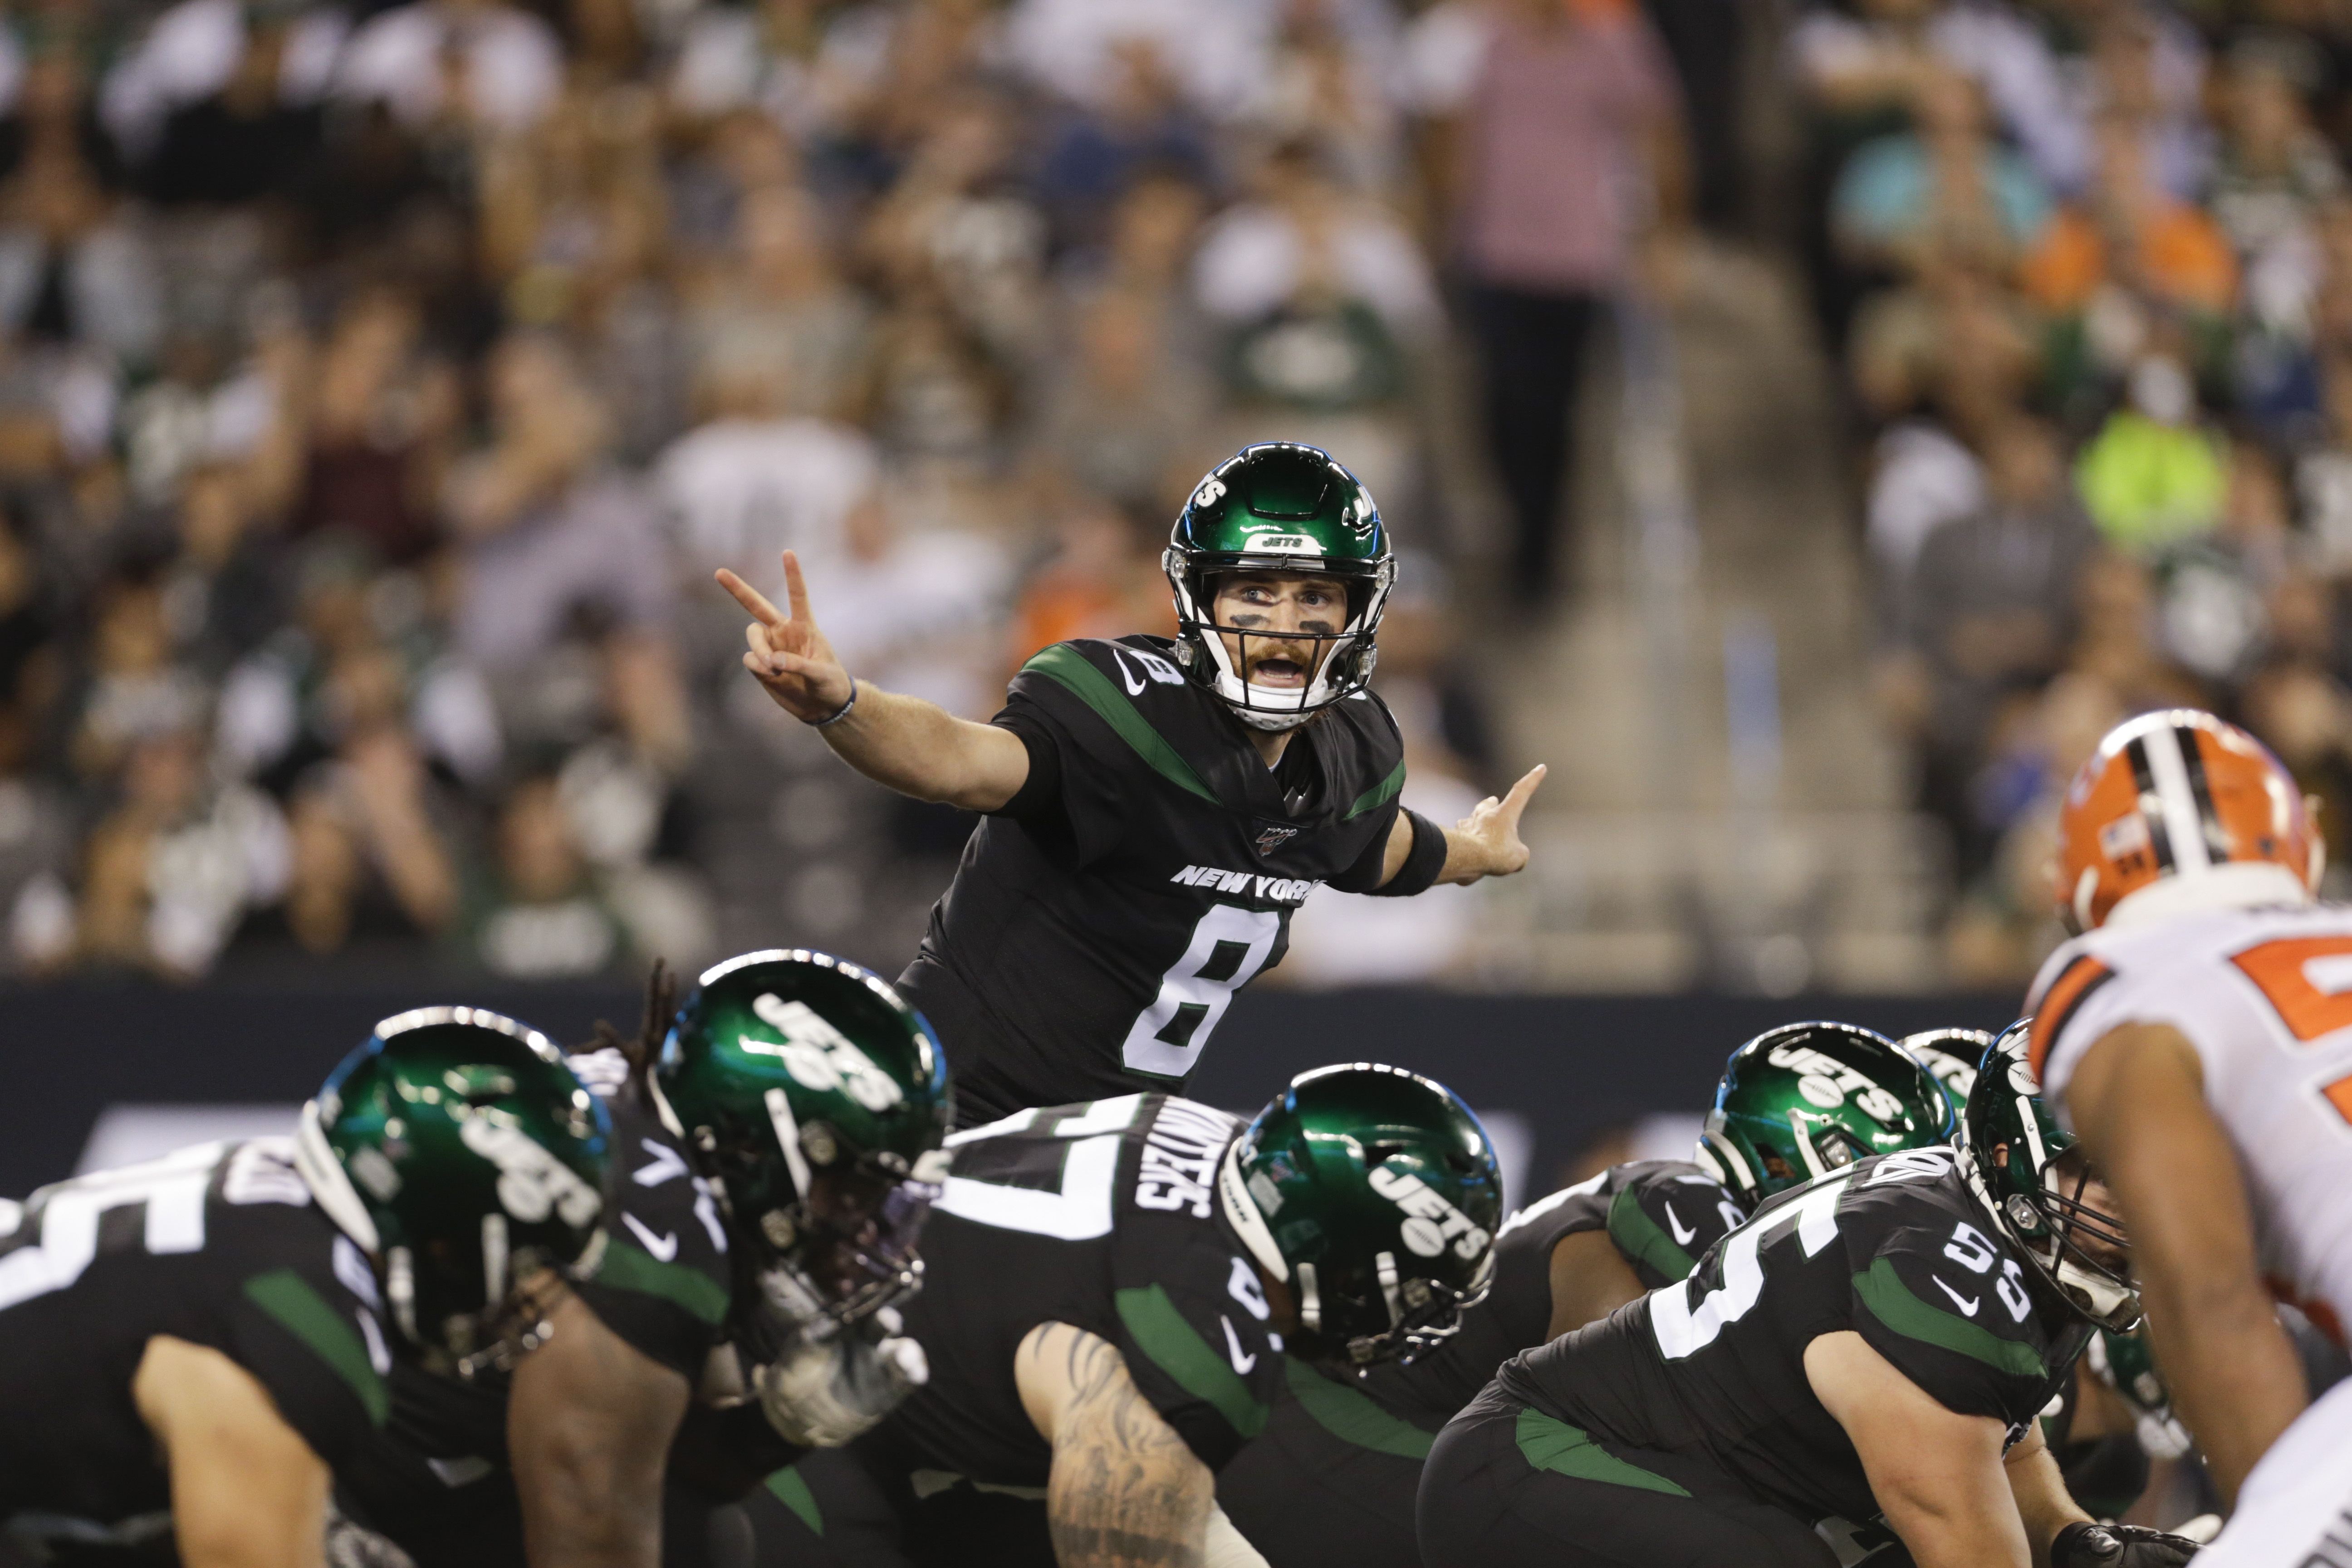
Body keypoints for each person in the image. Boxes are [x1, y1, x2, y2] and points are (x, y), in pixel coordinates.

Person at [720, 442, 1545, 1125]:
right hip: (952, 1109)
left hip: (1112, 1143)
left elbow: (1382, 848)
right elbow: (957, 760)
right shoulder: (1125, 711)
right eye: (1255, 591)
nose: (1286, 625)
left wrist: (1475, 851)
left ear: (1357, 613)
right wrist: (845, 704)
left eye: (1316, 596)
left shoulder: (1351, 755)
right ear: (1198, 598)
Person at [1416, 1025, 2200, 1568]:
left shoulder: (2000, 1242)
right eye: (2100, 1168)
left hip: (1635, 1474)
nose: (2136, 1198)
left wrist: (2075, 1541)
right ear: (2012, 1152)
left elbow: (2003, 1440)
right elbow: (1967, 1535)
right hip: (1538, 1467)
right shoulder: (1942, 1270)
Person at [1219, 1025, 1955, 1567]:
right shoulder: (1681, 1210)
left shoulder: (1733, 1232)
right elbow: (1620, 1436)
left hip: (1417, 1432)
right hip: (1346, 1424)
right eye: (1900, 1183)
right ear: (1787, 1158)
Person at [333, 950, 954, 1568]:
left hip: (364, 1442)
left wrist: (776, 1429)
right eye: (853, 1191)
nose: (867, 1230)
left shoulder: (640, 1119)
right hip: (304, 1451)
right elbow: (591, 1536)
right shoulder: (659, 1236)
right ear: (764, 1140)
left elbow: (668, 1459)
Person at [743, 1063, 1504, 1568]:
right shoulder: (1196, 1336)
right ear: (1342, 1258)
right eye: (1414, 1289)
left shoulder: (1202, 1137)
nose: (1413, 1316)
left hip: (866, 1362)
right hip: (795, 1421)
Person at [0, 1006, 609, 1564]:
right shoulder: (303, 1318)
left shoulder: (272, 1202)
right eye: (529, 1255)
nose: (527, 1292)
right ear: (450, 1218)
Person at [2029, 708, 2352, 1563]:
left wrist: (2280, 1529)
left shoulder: (2121, 985)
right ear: (2298, 836)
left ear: (2077, 885)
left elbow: (2208, 1294)